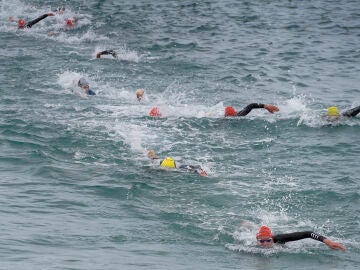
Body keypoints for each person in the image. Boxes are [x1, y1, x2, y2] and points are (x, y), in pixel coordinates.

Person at [256, 225, 346, 251]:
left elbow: (308, 233)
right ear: (257, 240)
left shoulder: (279, 238)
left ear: (272, 238)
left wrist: (328, 242)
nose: (265, 244)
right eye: (261, 241)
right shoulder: (248, 243)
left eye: (268, 240)